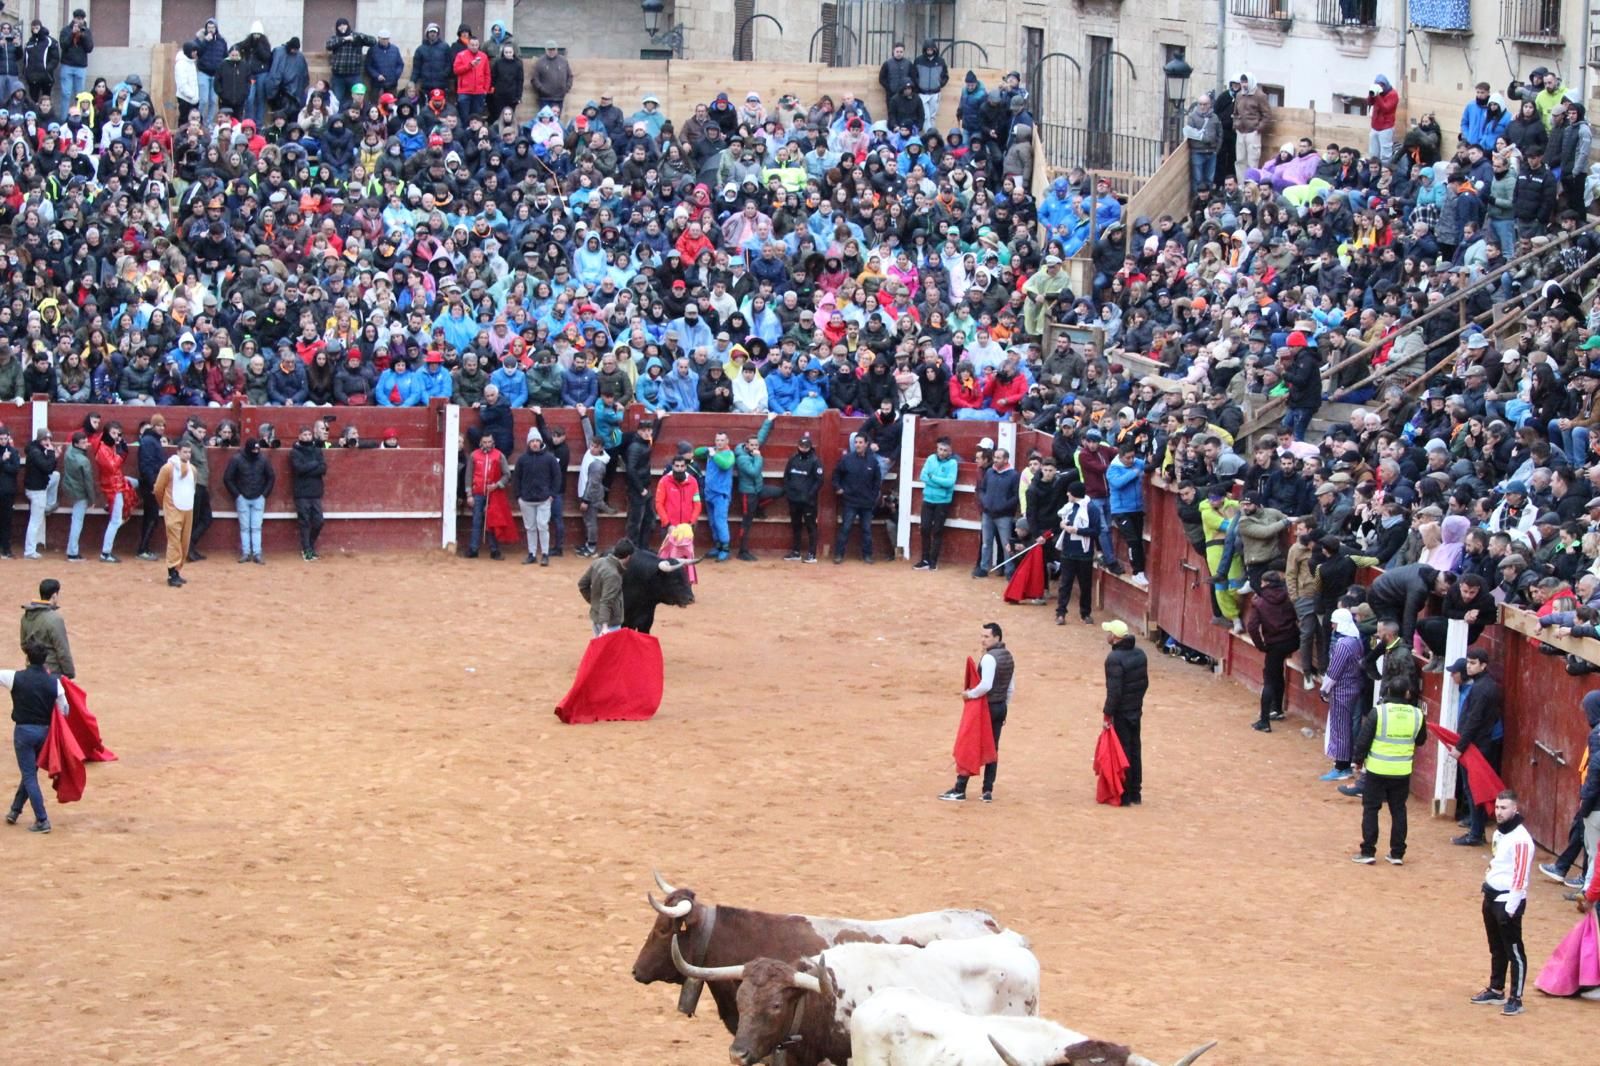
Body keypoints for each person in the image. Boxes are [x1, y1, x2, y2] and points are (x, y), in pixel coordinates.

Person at [1352, 678, 1426, 865]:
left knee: (1371, 809)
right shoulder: (1417, 714)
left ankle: (1368, 851)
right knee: (1398, 810)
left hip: (1377, 769)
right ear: (1407, 693)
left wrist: (1358, 762)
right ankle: (1397, 854)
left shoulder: (1379, 712)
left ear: (1387, 691)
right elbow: (1421, 740)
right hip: (1402, 770)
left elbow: (1363, 740)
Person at [1473, 790, 1535, 1016]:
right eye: (1497, 807)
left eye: (1504, 808)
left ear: (1515, 809)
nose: (1499, 812)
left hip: (1508, 901)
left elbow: (1520, 877)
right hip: (1491, 897)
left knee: (1514, 951)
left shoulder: (1521, 839)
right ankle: (1496, 989)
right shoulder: (1500, 833)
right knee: (1496, 947)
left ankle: (1516, 998)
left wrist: (1510, 908)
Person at [939, 622, 1015, 803]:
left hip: (986, 709)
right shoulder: (1009, 657)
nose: (983, 640)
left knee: (970, 744)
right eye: (982, 636)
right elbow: (1011, 688)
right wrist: (1004, 708)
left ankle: (960, 789)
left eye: (986, 637)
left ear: (997, 638)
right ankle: (987, 790)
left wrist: (969, 694)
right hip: (1000, 707)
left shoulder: (989, 658)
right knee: (992, 748)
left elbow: (986, 685)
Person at [3, 641, 70, 835]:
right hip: (44, 733)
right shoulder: (54, 682)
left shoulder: (15, 677)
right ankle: (15, 810)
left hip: (23, 733)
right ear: (45, 660)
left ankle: (42, 819)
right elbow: (64, 710)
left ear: (27, 659)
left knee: (29, 775)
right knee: (30, 772)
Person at [1450, 650, 1504, 847]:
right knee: (1473, 788)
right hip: (1480, 743)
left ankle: (1476, 832)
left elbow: (1474, 721)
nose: (1468, 666)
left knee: (1474, 789)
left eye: (1473, 663)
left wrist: (1460, 746)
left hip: (1477, 746)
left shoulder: (1482, 689)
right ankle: (1476, 830)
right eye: (1468, 663)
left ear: (1483, 665)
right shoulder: (1484, 686)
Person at [1246, 571, 1300, 732]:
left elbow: (1252, 627)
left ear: (1266, 584)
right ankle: (1277, 709)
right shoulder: (1289, 597)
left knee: (1269, 679)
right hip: (1291, 641)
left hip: (1275, 644)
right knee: (1278, 672)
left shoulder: (1260, 602)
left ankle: (1264, 720)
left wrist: (1260, 645)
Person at [1101, 619, 1148, 806]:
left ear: (1114, 637)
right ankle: (1135, 792)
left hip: (1121, 711)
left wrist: (1107, 714)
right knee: (1135, 749)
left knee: (1124, 751)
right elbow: (1144, 683)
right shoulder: (1140, 654)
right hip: (1135, 709)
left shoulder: (1114, 659)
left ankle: (1124, 794)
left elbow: (1115, 692)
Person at [513, 427, 562, 566]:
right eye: (532, 441)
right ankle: (532, 553)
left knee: (542, 525)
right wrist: (519, 496)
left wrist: (552, 494)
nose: (535, 443)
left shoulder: (549, 458)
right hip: (526, 499)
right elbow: (516, 478)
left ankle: (545, 554)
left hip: (544, 498)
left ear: (540, 443)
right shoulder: (522, 459)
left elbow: (557, 477)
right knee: (531, 527)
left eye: (537, 441)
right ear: (528, 443)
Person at [152, 442, 197, 588]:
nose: (187, 455)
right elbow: (158, 489)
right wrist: (165, 505)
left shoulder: (193, 470)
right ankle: (172, 573)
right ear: (178, 452)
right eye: (185, 452)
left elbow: (193, 489)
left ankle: (177, 571)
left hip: (187, 509)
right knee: (174, 541)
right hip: (173, 508)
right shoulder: (168, 468)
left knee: (184, 542)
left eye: (189, 452)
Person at [223, 438, 275, 564]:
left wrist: (264, 495)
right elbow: (227, 478)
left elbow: (271, 478)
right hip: (244, 498)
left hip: (257, 498)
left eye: (257, 449)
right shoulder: (240, 459)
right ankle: (247, 553)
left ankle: (256, 553)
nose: (256, 451)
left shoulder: (258, 459)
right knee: (246, 527)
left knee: (255, 527)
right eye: (254, 449)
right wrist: (238, 495)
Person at [832, 433, 882, 564]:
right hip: (850, 501)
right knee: (846, 528)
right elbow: (836, 474)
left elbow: (877, 481)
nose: (858, 445)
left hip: (866, 502)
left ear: (866, 444)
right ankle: (839, 554)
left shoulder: (873, 461)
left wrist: (873, 496)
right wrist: (838, 488)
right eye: (856, 442)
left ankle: (867, 555)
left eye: (860, 442)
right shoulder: (847, 459)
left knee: (866, 530)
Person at [1054, 479, 1098, 625]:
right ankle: (1061, 613)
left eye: (1069, 492)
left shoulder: (1091, 509)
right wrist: (1063, 525)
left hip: (1084, 553)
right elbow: (1063, 521)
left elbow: (1095, 531)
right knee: (1065, 583)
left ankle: (1085, 613)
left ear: (1075, 494)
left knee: (1085, 585)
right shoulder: (1069, 507)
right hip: (1068, 551)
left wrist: (1078, 530)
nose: (1067, 494)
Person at [975, 447, 1020, 577]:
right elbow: (982, 489)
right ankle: (983, 568)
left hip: (1004, 516)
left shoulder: (1013, 475)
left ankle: (1009, 570)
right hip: (988, 513)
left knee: (1006, 545)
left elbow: (1015, 496)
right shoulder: (989, 472)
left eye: (999, 458)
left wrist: (1003, 506)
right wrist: (985, 502)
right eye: (995, 457)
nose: (995, 460)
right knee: (986, 543)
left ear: (1006, 459)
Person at [915, 436, 958, 570]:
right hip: (928, 499)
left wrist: (932, 477)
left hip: (943, 502)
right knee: (925, 529)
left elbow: (950, 483)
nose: (942, 452)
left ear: (950, 452)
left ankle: (933, 561)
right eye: (940, 449)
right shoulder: (930, 459)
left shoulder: (952, 463)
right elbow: (922, 476)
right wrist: (940, 483)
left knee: (937, 531)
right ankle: (925, 559)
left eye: (945, 450)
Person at [19, 579, 73, 680]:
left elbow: (24, 644)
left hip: (32, 669)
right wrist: (69, 673)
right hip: (52, 672)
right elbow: (62, 650)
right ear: (54, 595)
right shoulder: (55, 619)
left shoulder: (25, 616)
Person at [782, 430, 824, 562]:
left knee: (811, 526)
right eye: (801, 446)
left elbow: (819, 480)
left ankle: (812, 554)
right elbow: (787, 476)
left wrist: (809, 495)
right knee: (796, 525)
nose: (803, 449)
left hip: (808, 501)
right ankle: (796, 552)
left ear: (810, 447)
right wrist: (789, 492)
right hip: (794, 499)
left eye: (806, 447)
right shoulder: (793, 459)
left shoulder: (815, 461)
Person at [467, 432, 510, 560]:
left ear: (493, 442)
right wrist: (469, 494)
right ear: (480, 443)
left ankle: (494, 550)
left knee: (492, 522)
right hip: (478, 493)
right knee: (476, 521)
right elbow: (468, 476)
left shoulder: (499, 456)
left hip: (493, 494)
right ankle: (473, 549)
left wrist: (497, 485)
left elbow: (507, 475)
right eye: (484, 442)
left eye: (489, 442)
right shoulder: (474, 455)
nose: (487, 444)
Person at [578, 538, 631, 637]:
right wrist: (605, 627)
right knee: (612, 652)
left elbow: (582, 584)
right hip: (610, 624)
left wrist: (594, 602)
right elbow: (606, 601)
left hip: (596, 618)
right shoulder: (614, 575)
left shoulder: (598, 562)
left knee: (599, 651)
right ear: (628, 557)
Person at [289, 425, 327, 562]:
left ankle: (309, 546)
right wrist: (314, 464)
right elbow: (299, 469)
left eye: (309, 435)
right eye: (304, 435)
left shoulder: (317, 450)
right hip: (302, 493)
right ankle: (307, 550)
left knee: (319, 522)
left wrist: (309, 468)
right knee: (304, 522)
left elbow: (323, 469)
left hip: (316, 492)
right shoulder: (294, 452)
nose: (307, 437)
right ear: (299, 437)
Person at [22, 428, 59, 560]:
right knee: (35, 521)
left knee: (56, 475)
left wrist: (53, 456)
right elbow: (47, 467)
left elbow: (49, 468)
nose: (47, 442)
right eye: (45, 439)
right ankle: (29, 551)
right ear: (39, 439)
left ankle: (49, 504)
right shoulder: (36, 452)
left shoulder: (35, 450)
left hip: (36, 487)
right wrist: (51, 453)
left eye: (49, 439)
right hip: (36, 489)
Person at [60, 430, 96, 563]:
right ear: (76, 444)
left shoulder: (69, 451)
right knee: (77, 522)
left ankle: (72, 550)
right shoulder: (83, 460)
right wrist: (92, 499)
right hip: (80, 492)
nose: (86, 444)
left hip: (71, 489)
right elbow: (88, 481)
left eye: (86, 441)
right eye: (83, 443)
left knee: (76, 520)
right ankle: (73, 553)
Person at [136, 415, 167, 561]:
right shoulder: (150, 441)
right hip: (150, 485)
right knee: (151, 516)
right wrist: (154, 483)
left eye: (163, 425)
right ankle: (142, 549)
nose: (162, 428)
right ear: (153, 426)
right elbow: (146, 465)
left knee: (151, 516)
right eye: (159, 425)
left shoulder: (151, 440)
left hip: (152, 483)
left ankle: (144, 548)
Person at [182, 417, 212, 562]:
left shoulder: (199, 444)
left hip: (201, 484)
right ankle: (188, 547)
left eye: (204, 432)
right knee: (194, 519)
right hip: (193, 486)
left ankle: (190, 546)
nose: (202, 435)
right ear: (192, 430)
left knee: (205, 517)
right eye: (199, 431)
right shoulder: (187, 444)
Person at [624, 420, 657, 546]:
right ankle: (632, 551)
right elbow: (630, 469)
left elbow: (655, 434)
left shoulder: (645, 443)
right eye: (643, 430)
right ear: (638, 431)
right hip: (638, 489)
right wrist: (640, 488)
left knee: (648, 519)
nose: (647, 433)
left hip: (644, 487)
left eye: (649, 430)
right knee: (635, 522)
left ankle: (643, 548)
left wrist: (658, 420)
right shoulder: (635, 447)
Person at [57, 9, 91, 118]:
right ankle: (63, 120)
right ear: (74, 18)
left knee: (80, 96)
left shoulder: (87, 31)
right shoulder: (66, 30)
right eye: (77, 18)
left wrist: (83, 36)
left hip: (80, 67)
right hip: (67, 66)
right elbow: (63, 45)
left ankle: (78, 119)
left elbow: (89, 48)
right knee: (65, 94)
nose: (79, 21)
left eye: (81, 19)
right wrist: (72, 34)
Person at [531, 39, 573, 113]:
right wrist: (542, 90)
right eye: (549, 49)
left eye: (553, 49)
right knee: (544, 119)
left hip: (559, 98)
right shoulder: (540, 61)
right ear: (546, 50)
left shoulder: (563, 61)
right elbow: (534, 79)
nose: (551, 51)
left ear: (556, 49)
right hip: (544, 98)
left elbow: (570, 76)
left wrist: (566, 89)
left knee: (556, 121)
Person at [0, 425, 18, 558]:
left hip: (7, 491)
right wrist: (3, 460)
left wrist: (4, 464)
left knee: (6, 521)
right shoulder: (9, 453)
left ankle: (6, 548)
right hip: (5, 489)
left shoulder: (13, 451)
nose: (3, 441)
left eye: (5, 438)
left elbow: (15, 469)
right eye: (1, 439)